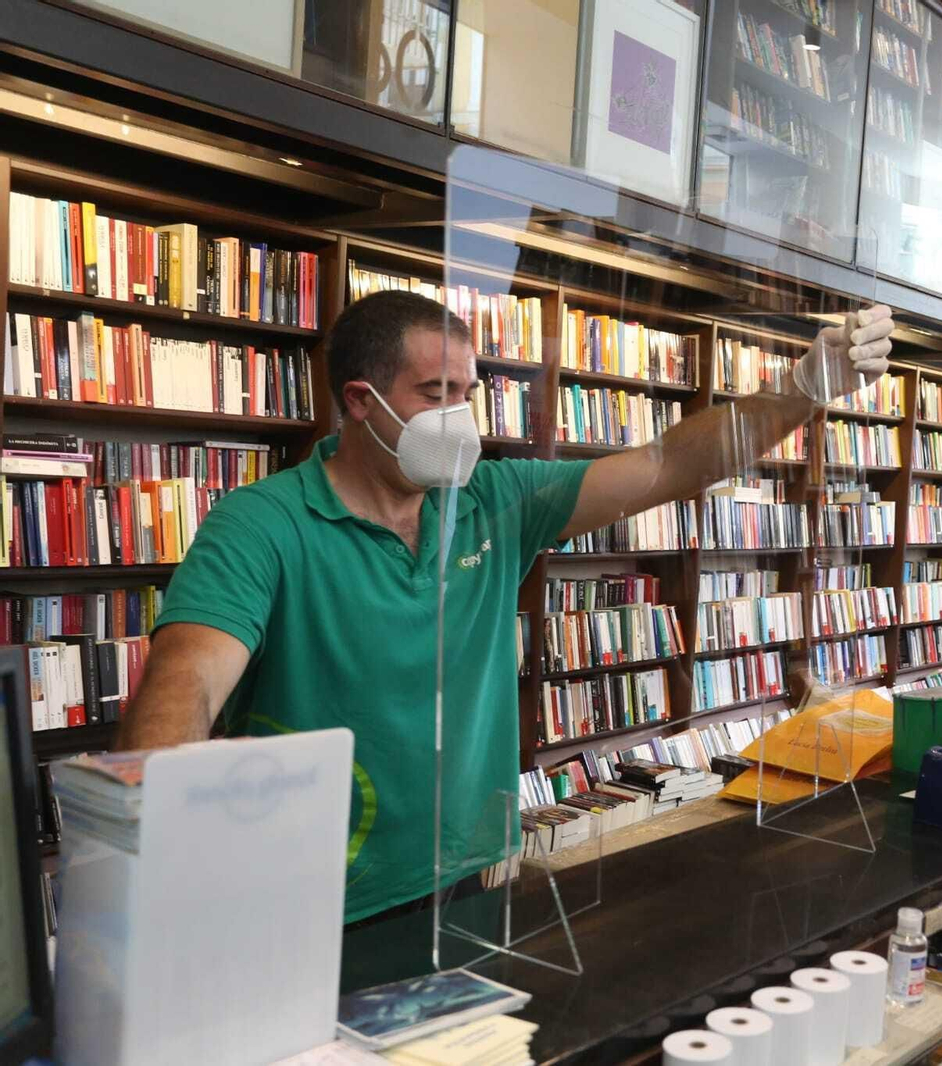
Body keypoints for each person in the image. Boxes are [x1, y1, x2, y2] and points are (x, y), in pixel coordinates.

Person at [114, 290, 896, 924]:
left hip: (474, 876)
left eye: (467, 392)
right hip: (313, 898)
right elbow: (188, 677)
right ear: (360, 401)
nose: (461, 416)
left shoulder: (494, 501)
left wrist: (801, 391)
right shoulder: (261, 523)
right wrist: (156, 834)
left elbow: (668, 465)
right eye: (436, 394)